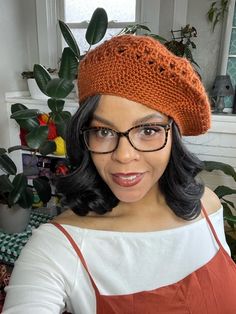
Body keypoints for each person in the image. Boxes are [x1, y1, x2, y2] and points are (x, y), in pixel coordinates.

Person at [3, 34, 236, 314]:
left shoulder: (207, 206)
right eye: (103, 131)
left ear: (172, 135)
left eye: (148, 131)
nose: (124, 156)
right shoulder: (56, 248)